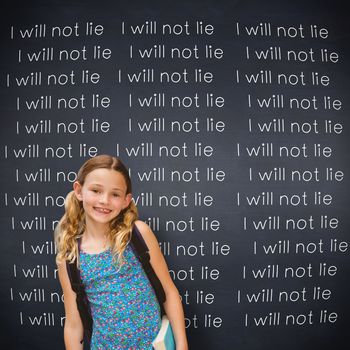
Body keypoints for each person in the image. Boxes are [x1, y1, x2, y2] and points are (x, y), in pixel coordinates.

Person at [55, 154, 188, 350]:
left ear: (126, 200)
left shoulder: (137, 234)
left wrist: (182, 345)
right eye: (96, 190)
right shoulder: (70, 256)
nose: (104, 200)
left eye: (115, 194)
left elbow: (169, 292)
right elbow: (74, 325)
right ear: (79, 190)